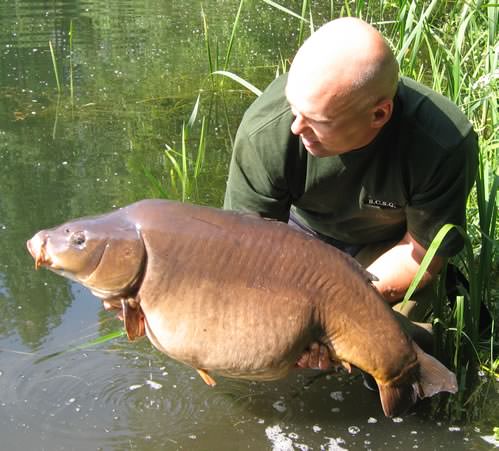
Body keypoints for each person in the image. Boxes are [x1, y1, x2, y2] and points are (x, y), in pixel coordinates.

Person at [223, 17, 478, 371]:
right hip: (296, 241)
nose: (297, 128)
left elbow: (421, 253)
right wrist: (293, 319)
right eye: (294, 110)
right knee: (252, 346)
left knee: (397, 356)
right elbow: (249, 256)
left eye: (316, 120)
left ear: (378, 114)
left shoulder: (442, 144)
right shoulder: (266, 131)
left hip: (388, 251)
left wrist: (334, 312)